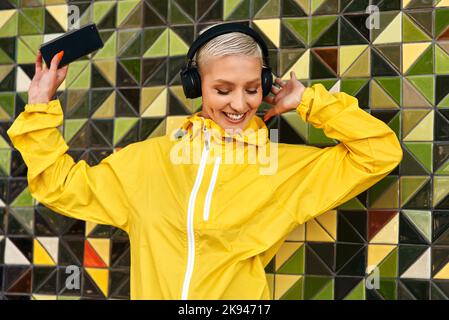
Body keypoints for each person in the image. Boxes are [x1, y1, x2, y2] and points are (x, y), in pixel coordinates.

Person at [7, 23, 403, 300]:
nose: (238, 104)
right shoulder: (150, 161)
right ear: (197, 87)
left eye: (251, 89)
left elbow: (379, 153)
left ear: (266, 87)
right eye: (222, 89)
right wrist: (40, 106)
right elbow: (59, 186)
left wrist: (310, 102)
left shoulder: (283, 169)